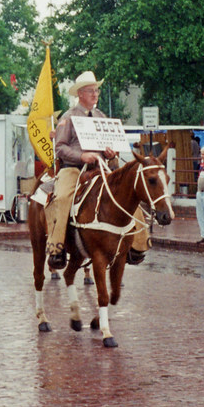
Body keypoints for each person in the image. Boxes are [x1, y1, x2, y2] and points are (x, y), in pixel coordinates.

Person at [45, 70, 118, 269]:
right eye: (90, 91)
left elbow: (108, 144)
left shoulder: (102, 117)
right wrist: (81, 156)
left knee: (125, 191)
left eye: (96, 91)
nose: (95, 94)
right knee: (61, 198)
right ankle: (56, 248)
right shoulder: (68, 118)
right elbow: (60, 147)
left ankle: (134, 245)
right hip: (74, 169)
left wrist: (110, 153)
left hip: (99, 167)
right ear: (80, 94)